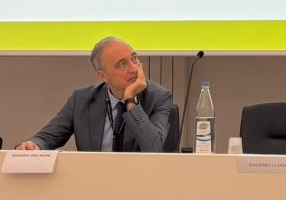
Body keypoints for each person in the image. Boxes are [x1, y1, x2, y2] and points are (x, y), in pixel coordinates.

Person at [16, 37, 171, 152]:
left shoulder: (158, 97)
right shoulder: (81, 99)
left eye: (134, 59)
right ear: (103, 75)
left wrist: (131, 101)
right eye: (122, 64)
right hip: (91, 179)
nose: (134, 69)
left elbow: (154, 149)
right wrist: (33, 145)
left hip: (139, 180)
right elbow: (47, 138)